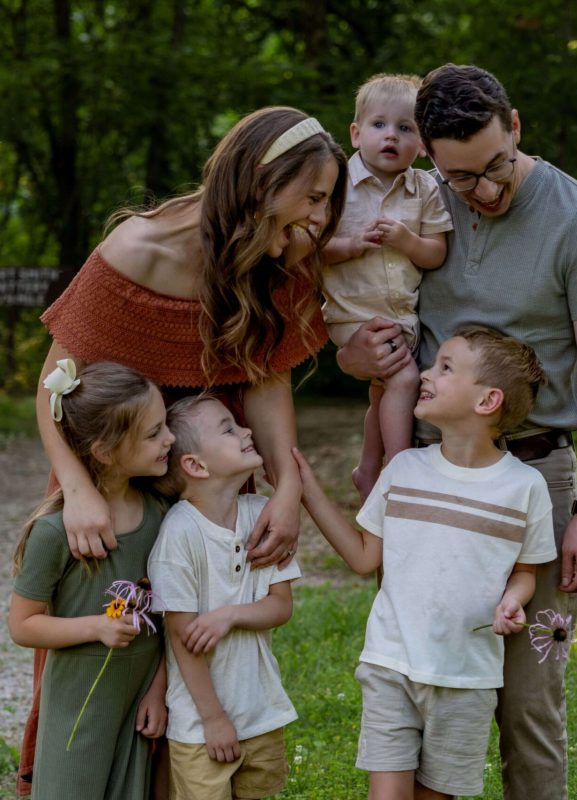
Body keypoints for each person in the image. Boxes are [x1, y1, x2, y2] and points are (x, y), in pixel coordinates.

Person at [18, 106, 346, 796]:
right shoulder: (135, 253)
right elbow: (53, 390)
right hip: (113, 480)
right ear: (262, 181)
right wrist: (78, 490)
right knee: (108, 656)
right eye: (312, 198)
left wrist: (284, 490)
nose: (320, 220)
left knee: (197, 655)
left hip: (206, 486)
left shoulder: (276, 262)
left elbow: (266, 388)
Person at [337, 63, 577, 799]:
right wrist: (352, 356)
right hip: (431, 475)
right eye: (462, 178)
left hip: (537, 478)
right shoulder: (419, 202)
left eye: (496, 167)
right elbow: (371, 318)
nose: (487, 192)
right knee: (425, 671)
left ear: (516, 127)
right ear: (431, 159)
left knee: (529, 700)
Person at [294, 327, 558, 799]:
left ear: (487, 401)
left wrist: (514, 602)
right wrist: (307, 489)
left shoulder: (525, 488)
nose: (426, 374)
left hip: (467, 680)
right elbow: (362, 557)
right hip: (390, 663)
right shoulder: (405, 469)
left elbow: (525, 571)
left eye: (446, 368)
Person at [8, 360, 173, 800]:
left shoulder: (163, 517)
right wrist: (95, 627)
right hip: (77, 710)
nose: (170, 440)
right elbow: (23, 625)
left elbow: (170, 621)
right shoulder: (54, 532)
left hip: (137, 706)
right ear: (104, 451)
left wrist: (157, 691)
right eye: (154, 433)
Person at [148, 394, 300, 800]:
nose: (247, 430)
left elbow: (281, 606)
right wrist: (214, 719)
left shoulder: (262, 514)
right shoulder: (179, 536)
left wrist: (228, 615)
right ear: (196, 466)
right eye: (228, 428)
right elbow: (183, 639)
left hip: (261, 712)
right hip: (201, 725)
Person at [322, 73, 452, 500]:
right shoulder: (336, 185)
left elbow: (436, 253)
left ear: (423, 144)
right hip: (352, 313)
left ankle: (367, 468)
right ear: (356, 134)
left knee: (383, 390)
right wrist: (351, 245)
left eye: (405, 127)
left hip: (401, 313)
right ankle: (399, 470)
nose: (391, 136)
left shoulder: (425, 188)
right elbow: (312, 248)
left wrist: (407, 241)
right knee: (402, 379)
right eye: (379, 125)